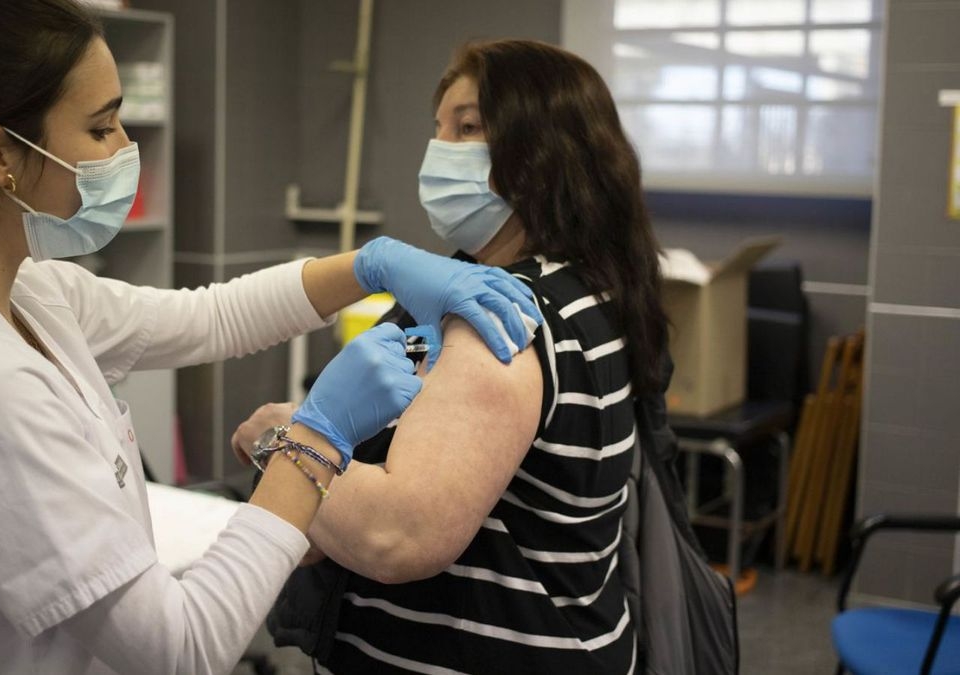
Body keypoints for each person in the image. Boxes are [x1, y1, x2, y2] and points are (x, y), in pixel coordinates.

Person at [0, 3, 544, 673]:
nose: (126, 147)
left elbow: (205, 316)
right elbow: (181, 650)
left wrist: (370, 263)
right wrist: (315, 441)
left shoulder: (19, 286)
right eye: (99, 127)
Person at [235, 40, 669, 673]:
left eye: (468, 127)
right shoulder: (587, 287)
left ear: (544, 147)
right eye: (438, 129)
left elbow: (396, 534)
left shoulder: (506, 315)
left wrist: (280, 436)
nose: (440, 151)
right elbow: (318, 535)